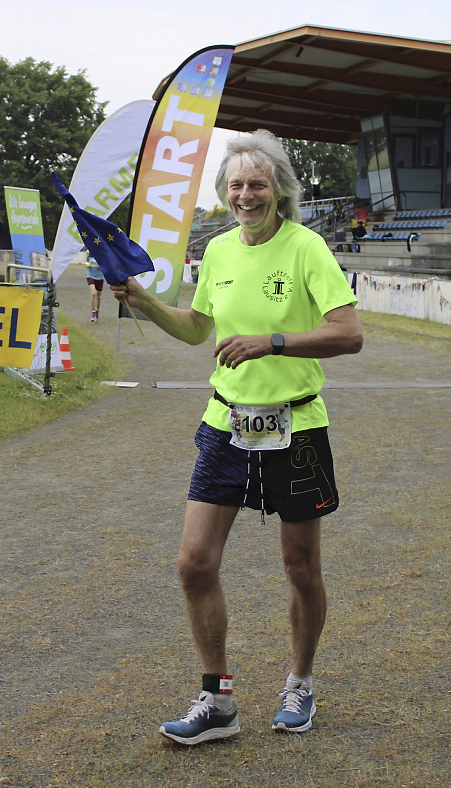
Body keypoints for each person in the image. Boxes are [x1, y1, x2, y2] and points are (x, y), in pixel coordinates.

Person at [109, 129, 363, 746]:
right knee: (194, 563)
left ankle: (299, 683)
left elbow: (349, 333)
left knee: (300, 567)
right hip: (226, 424)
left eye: (257, 184)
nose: (245, 194)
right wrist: (143, 301)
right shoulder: (219, 251)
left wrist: (272, 342)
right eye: (236, 185)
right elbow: (198, 328)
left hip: (296, 426)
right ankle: (217, 699)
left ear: (279, 190)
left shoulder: (307, 250)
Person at [86, 253, 104, 322]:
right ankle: (93, 312)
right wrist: (87, 264)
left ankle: (97, 312)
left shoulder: (102, 254)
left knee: (98, 296)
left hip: (100, 277)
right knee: (93, 293)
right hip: (90, 276)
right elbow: (86, 261)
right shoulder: (89, 253)